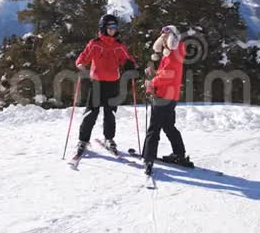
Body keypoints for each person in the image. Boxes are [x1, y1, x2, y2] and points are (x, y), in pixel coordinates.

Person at [73, 14, 137, 158]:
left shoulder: (119, 45)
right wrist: (80, 63)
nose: (113, 30)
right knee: (91, 113)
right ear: (103, 27)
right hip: (97, 83)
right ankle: (83, 140)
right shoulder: (95, 43)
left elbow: (127, 58)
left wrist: (130, 65)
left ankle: (109, 139)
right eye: (110, 27)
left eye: (115, 27)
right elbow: (84, 56)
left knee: (110, 113)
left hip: (113, 83)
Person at [142, 25, 191, 176]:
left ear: (171, 39)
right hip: (171, 96)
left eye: (165, 38)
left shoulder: (172, 54)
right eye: (162, 37)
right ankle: (179, 154)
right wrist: (154, 73)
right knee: (169, 126)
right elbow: (167, 74)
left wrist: (151, 82)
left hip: (163, 96)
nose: (163, 40)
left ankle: (148, 158)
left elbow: (167, 75)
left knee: (154, 128)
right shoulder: (174, 53)